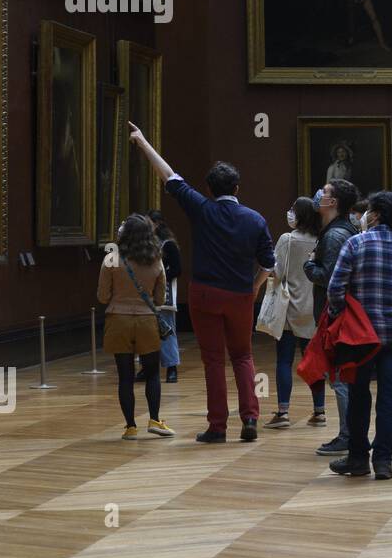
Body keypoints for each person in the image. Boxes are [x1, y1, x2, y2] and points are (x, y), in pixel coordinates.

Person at [129, 122, 274, 443]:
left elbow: (169, 176)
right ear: (237, 188)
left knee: (213, 360)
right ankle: (250, 417)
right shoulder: (255, 219)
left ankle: (218, 427)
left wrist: (142, 142)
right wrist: (255, 287)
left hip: (205, 294)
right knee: (243, 356)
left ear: (210, 189)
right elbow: (268, 263)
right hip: (240, 296)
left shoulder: (201, 208)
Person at [326, 191, 392, 480]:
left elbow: (334, 289)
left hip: (359, 339)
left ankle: (358, 457)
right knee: (389, 398)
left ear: (374, 215)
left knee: (359, 396)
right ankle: (384, 461)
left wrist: (344, 316)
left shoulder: (355, 244)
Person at [98, 214, 174, 440]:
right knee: (152, 374)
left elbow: (103, 296)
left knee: (125, 376)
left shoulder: (112, 257)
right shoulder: (156, 258)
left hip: (118, 320)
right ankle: (154, 419)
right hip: (146, 321)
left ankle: (130, 426)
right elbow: (160, 299)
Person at [303, 178, 360, 455]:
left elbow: (329, 278)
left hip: (336, 315)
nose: (319, 195)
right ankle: (351, 435)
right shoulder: (340, 230)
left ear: (333, 202)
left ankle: (348, 436)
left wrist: (309, 264)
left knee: (340, 379)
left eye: (324, 192)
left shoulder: (336, 235)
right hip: (338, 314)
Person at [265, 196, 324, 429]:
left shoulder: (287, 240)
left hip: (289, 308)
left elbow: (276, 273)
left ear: (299, 215)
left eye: (292, 209)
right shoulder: (322, 239)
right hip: (314, 309)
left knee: (284, 360)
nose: (289, 212)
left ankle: (283, 412)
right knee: (313, 361)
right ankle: (319, 412)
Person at [146, 209, 182, 382]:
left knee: (166, 330)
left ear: (157, 224)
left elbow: (177, 269)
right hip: (147, 292)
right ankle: (147, 368)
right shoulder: (147, 244)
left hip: (164, 293)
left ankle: (171, 367)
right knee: (147, 332)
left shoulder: (168, 244)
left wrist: (159, 275)